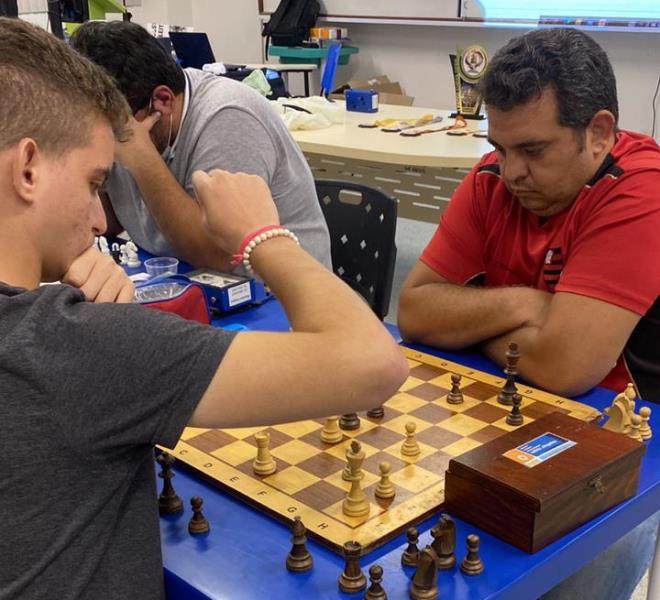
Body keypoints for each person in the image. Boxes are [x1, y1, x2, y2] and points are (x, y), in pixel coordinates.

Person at [0, 18, 407, 599]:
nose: (98, 219)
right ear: (28, 168)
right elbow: (376, 363)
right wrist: (264, 235)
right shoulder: (79, 349)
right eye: (94, 183)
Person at [398, 27, 659, 600]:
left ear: (599, 133)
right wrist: (527, 304)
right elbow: (414, 311)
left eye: (533, 151)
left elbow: (566, 367)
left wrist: (473, 321)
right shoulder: (494, 176)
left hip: (619, 450)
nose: (510, 171)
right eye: (500, 147)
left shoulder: (642, 190)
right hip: (495, 412)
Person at [69, 20, 332, 272]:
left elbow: (215, 253)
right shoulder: (123, 117)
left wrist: (142, 158)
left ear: (162, 101)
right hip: (179, 282)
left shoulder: (228, 116)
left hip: (274, 298)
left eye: (115, 133)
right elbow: (105, 222)